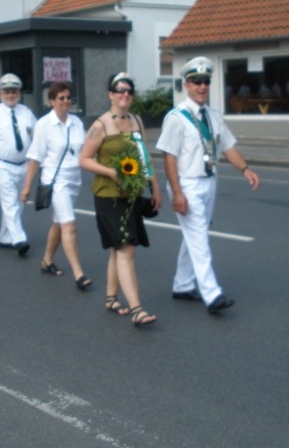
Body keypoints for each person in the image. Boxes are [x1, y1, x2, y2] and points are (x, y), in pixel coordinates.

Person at [156, 56, 261, 314]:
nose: (202, 87)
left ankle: (182, 284)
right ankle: (212, 294)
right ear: (187, 85)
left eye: (206, 82)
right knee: (199, 238)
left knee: (194, 235)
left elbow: (228, 146)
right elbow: (168, 156)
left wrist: (245, 168)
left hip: (209, 181)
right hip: (188, 184)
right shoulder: (176, 117)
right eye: (196, 82)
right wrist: (177, 192)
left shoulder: (213, 115)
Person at [79, 72, 162, 326]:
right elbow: (83, 159)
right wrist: (110, 172)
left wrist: (155, 187)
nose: (125, 94)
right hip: (109, 197)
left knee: (119, 248)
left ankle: (111, 298)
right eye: (119, 90)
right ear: (111, 94)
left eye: (129, 90)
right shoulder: (101, 125)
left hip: (132, 194)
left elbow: (144, 156)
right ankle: (137, 309)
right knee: (127, 248)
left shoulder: (136, 120)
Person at [20, 81, 90, 290]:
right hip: (55, 180)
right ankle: (79, 273)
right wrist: (26, 187)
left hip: (74, 179)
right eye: (61, 98)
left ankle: (47, 260)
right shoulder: (44, 124)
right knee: (69, 223)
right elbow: (35, 158)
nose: (66, 101)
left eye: (69, 97)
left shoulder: (76, 122)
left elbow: (86, 149)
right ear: (52, 101)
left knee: (59, 223)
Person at [0, 73, 36, 255]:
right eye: (7, 91)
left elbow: (36, 138)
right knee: (10, 202)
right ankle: (19, 239)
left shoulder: (27, 113)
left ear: (19, 92)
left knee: (19, 202)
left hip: (23, 164)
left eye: (14, 91)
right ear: (0, 93)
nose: (11, 95)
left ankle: (6, 237)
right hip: (2, 164)